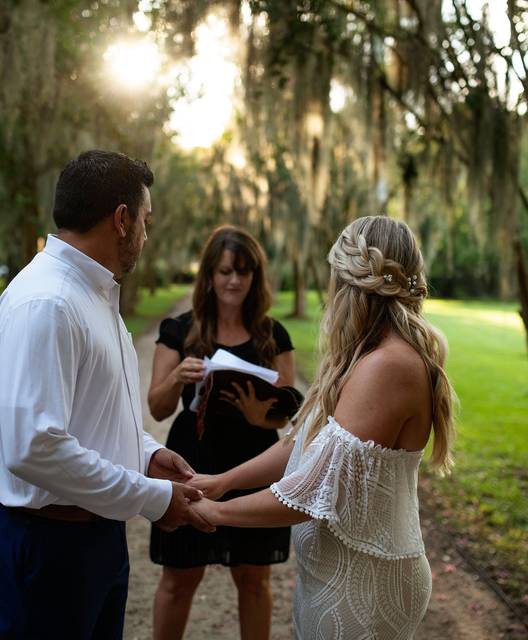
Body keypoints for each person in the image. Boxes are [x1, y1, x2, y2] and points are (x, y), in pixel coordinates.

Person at [0, 150, 214, 640]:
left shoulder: (93, 294)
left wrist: (145, 455)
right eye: (146, 221)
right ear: (122, 220)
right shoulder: (48, 302)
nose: (147, 235)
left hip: (95, 534)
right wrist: (152, 498)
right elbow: (35, 446)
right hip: (49, 543)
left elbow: (95, 410)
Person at [189, 215, 457, 639]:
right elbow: (302, 443)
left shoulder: (388, 366)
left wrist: (217, 513)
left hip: (364, 583)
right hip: (337, 575)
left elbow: (314, 489)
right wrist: (222, 482)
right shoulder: (362, 355)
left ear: (347, 281)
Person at [148, 225, 300, 640]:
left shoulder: (272, 334)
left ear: (256, 277)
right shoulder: (179, 330)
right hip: (191, 458)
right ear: (209, 275)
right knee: (180, 578)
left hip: (253, 462)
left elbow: (287, 418)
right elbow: (157, 407)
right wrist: (178, 376)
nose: (234, 280)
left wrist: (261, 417)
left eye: (244, 272)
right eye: (225, 271)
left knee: (253, 580)